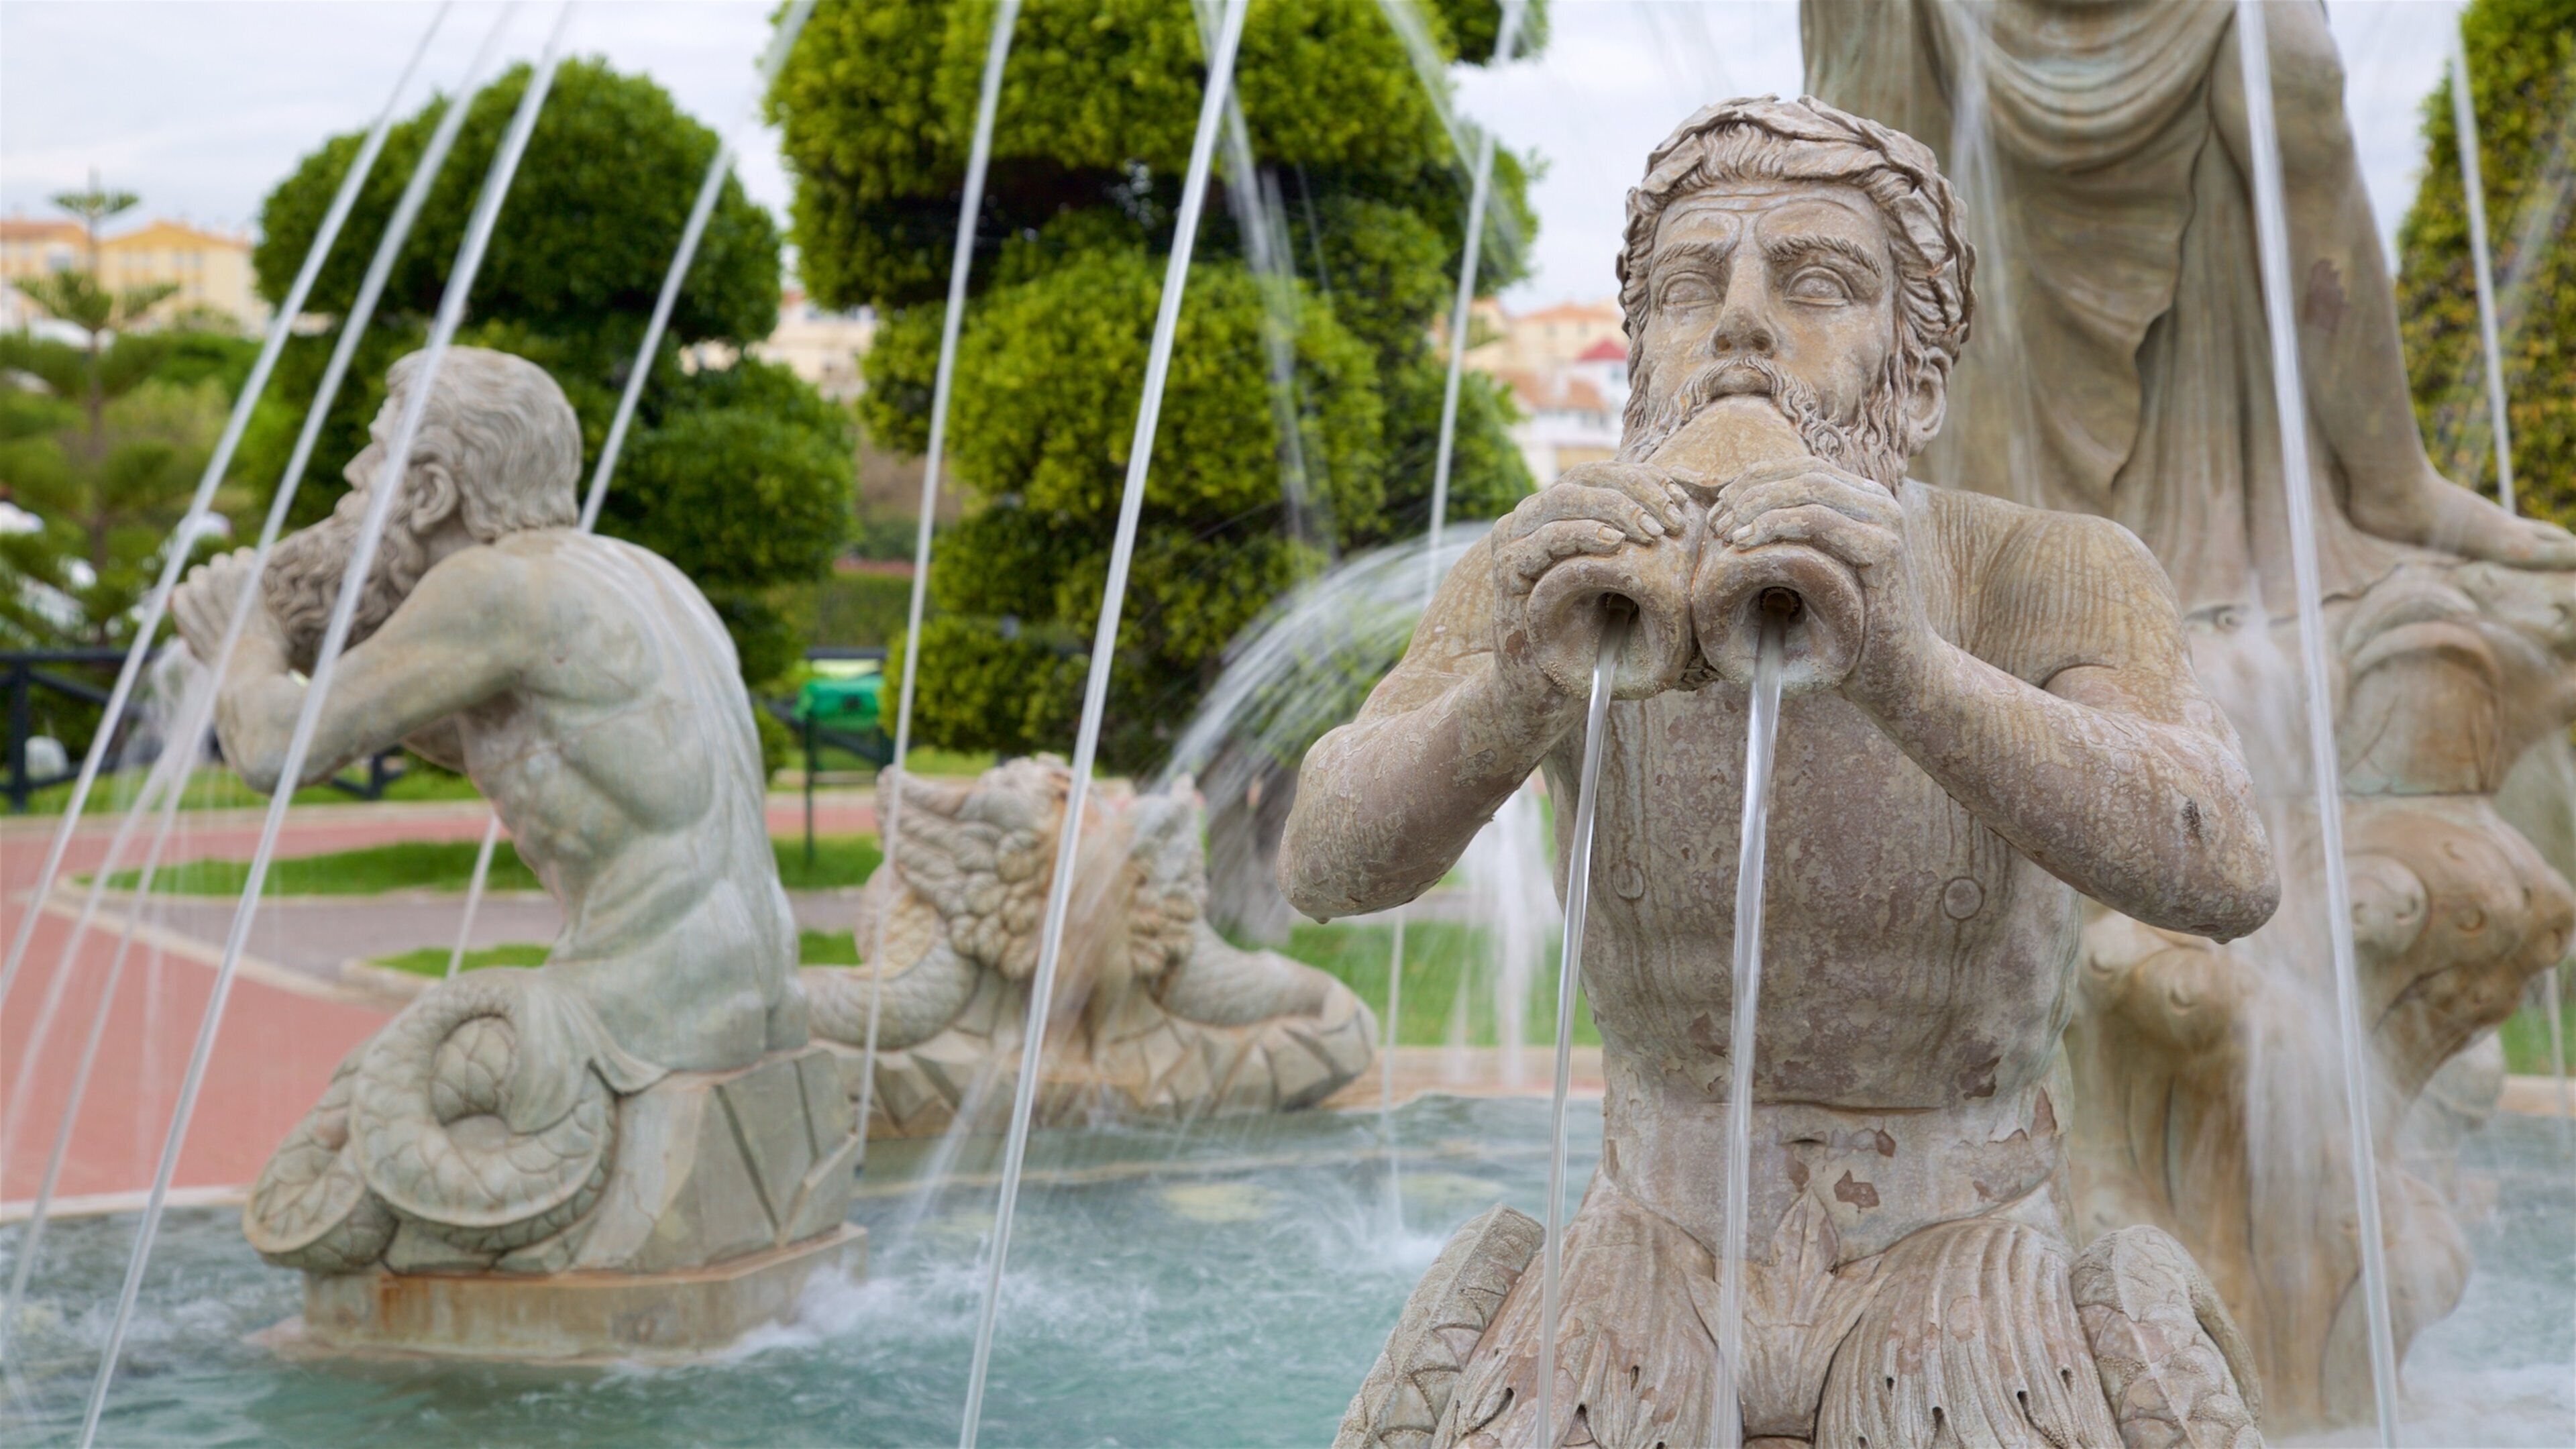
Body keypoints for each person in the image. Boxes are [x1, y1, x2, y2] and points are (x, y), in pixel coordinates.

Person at [1292, 98, 2273, 1448]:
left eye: (1815, 282)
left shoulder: (2048, 568)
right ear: (1645, 358)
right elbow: (1327, 856)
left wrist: (1908, 668)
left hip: (1958, 1238)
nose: (1742, 322)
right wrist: (1519, 684)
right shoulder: (1548, 566)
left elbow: (2224, 858)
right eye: (1695, 285)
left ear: (1916, 377)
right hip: (1650, 1233)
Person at [172, 346, 801, 1074]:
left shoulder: (489, 587)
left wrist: (245, 637)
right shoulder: (635, 572)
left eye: (375, 454)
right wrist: (327, 669)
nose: (353, 477)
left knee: (358, 1110)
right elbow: (508, 737)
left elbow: (274, 755)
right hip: (753, 985)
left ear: (433, 491)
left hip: (640, 1010)